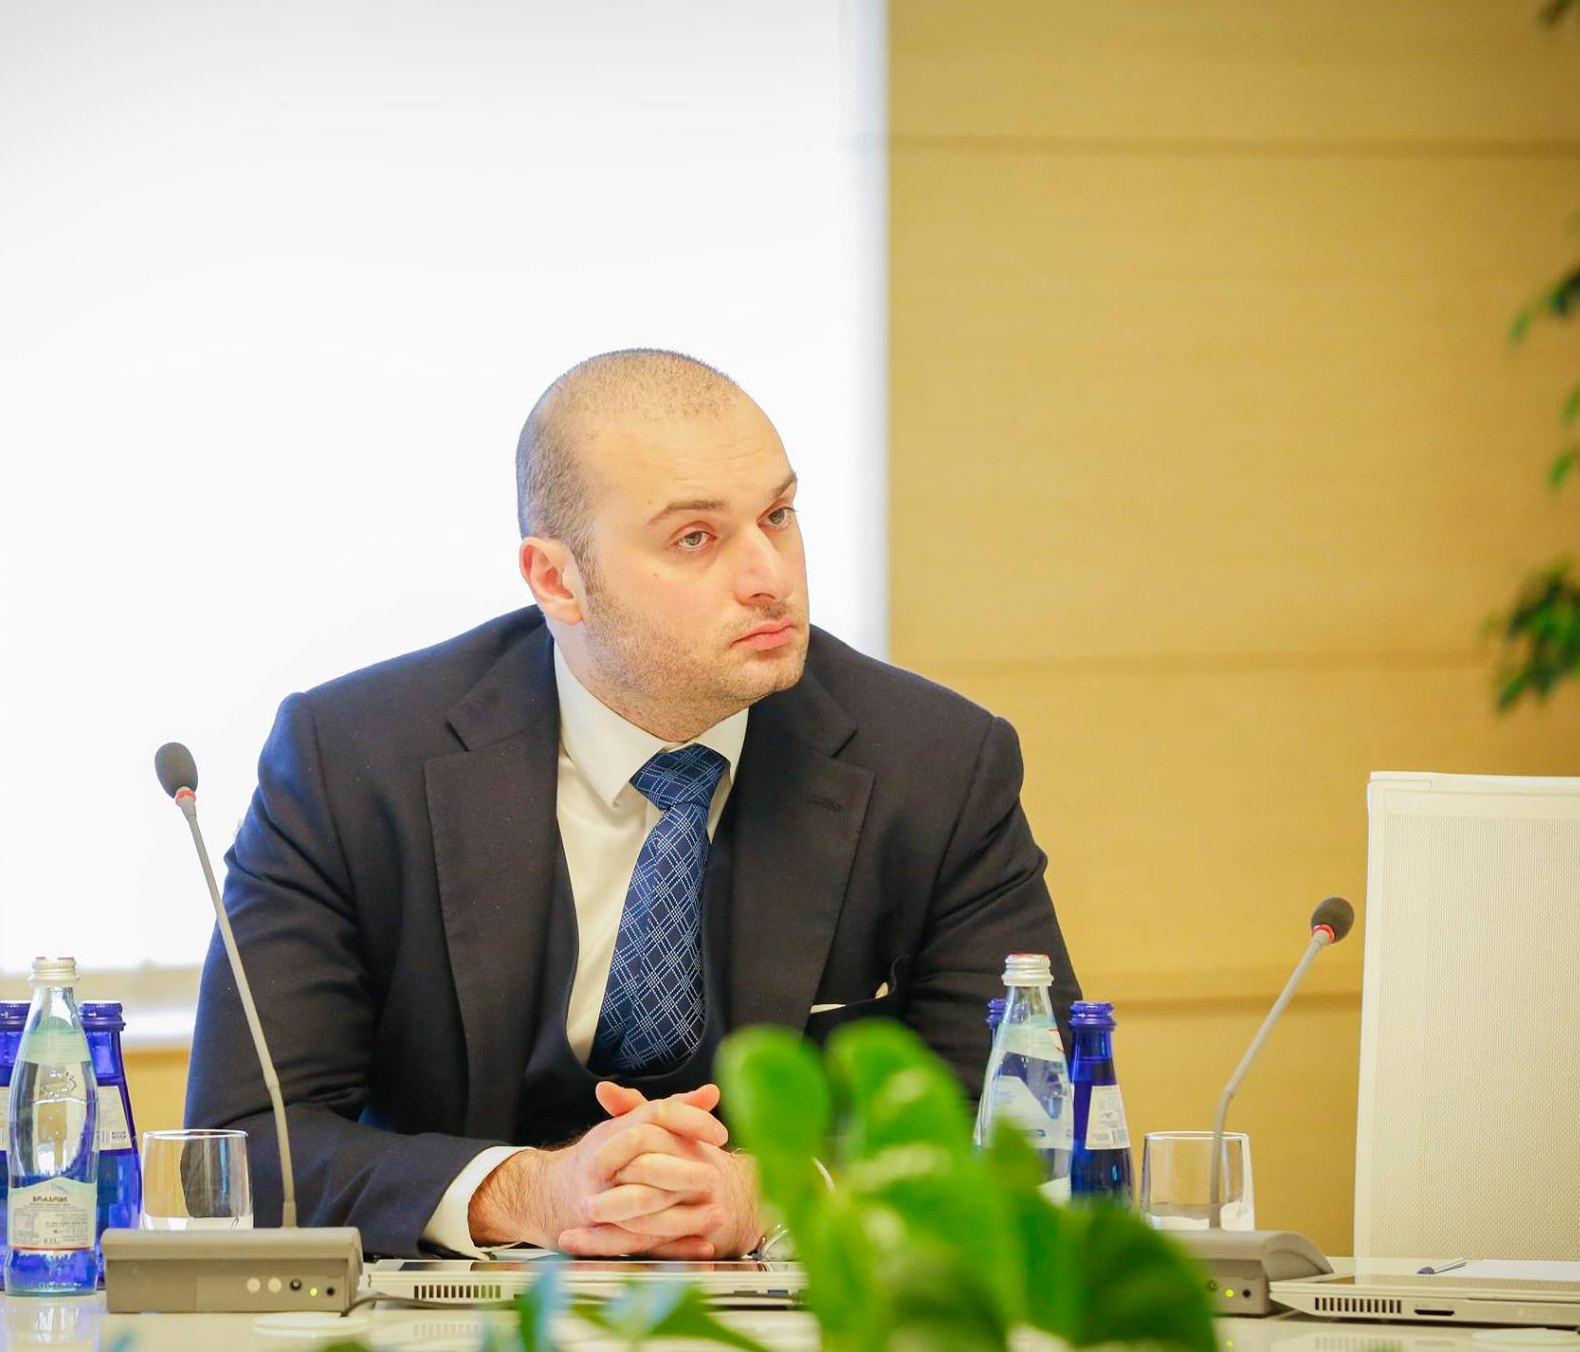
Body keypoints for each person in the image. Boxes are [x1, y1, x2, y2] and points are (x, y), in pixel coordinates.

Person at [185, 348, 1079, 1258]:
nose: (769, 575)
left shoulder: (934, 764)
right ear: (556, 580)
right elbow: (240, 1141)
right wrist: (528, 1192)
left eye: (777, 515)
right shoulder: (353, 759)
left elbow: (1036, 1130)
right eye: (695, 538)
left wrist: (778, 1192)